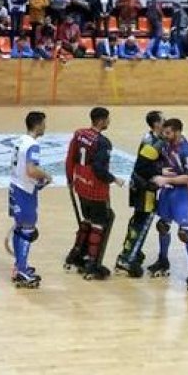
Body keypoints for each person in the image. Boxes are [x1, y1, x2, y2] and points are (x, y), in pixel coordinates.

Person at [64, 107, 123, 280]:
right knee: (100, 224)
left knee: (87, 220)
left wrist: (70, 179)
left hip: (80, 185)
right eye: (107, 119)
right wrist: (114, 179)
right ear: (101, 121)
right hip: (96, 190)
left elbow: (70, 157)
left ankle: (75, 255)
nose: (109, 122)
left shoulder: (79, 134)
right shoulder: (103, 142)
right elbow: (99, 169)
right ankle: (92, 263)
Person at [144, 118, 188, 291]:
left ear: (177, 132)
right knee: (162, 226)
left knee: (184, 233)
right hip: (168, 190)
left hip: (181, 193)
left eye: (168, 133)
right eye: (164, 132)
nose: (164, 135)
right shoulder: (166, 144)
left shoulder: (186, 151)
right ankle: (163, 261)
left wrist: (165, 179)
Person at [115, 111, 164, 278]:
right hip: (144, 190)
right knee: (142, 224)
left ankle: (128, 253)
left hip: (139, 186)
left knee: (137, 221)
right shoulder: (153, 143)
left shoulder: (150, 138)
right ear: (156, 124)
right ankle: (128, 260)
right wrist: (159, 174)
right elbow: (142, 168)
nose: (165, 122)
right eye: (163, 120)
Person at [9, 111, 52, 289]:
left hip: (14, 187)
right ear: (38, 125)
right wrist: (46, 176)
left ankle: (19, 266)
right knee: (27, 230)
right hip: (25, 191)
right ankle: (22, 271)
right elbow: (31, 170)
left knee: (19, 229)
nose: (45, 126)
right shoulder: (33, 145)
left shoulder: (20, 140)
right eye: (44, 123)